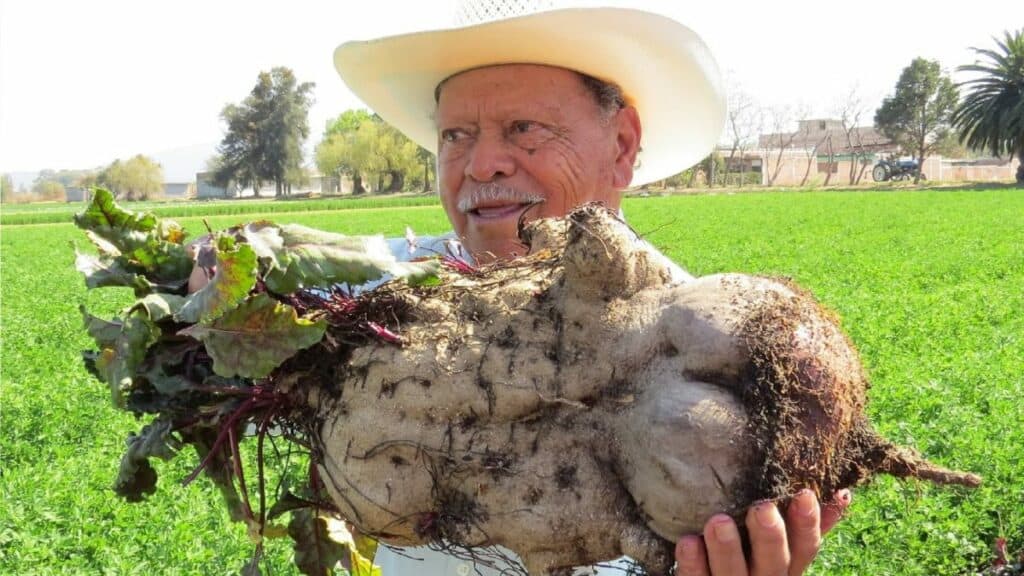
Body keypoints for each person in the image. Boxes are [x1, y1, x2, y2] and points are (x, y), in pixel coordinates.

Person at [194, 3, 853, 574]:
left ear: (621, 145)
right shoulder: (389, 291)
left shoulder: (706, 347)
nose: (481, 164)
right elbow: (259, 262)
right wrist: (209, 282)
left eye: (524, 129)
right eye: (456, 135)